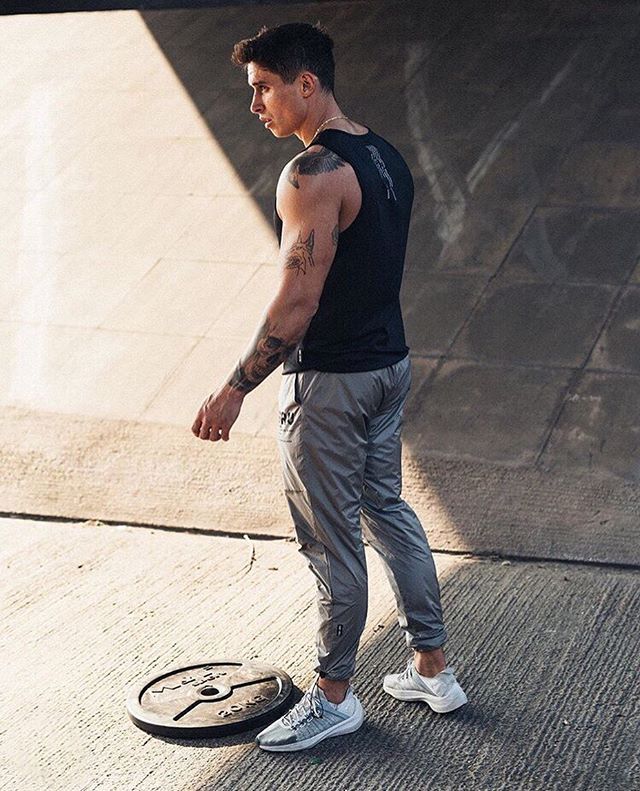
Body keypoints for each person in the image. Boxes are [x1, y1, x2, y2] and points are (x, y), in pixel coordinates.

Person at [191, 21, 467, 752]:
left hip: (335, 385)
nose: (255, 105)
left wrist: (234, 388)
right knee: (387, 508)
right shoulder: (384, 155)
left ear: (304, 84)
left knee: (331, 541)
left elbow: (296, 304)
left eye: (263, 88)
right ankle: (433, 669)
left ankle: (335, 694)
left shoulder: (311, 175)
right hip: (389, 367)